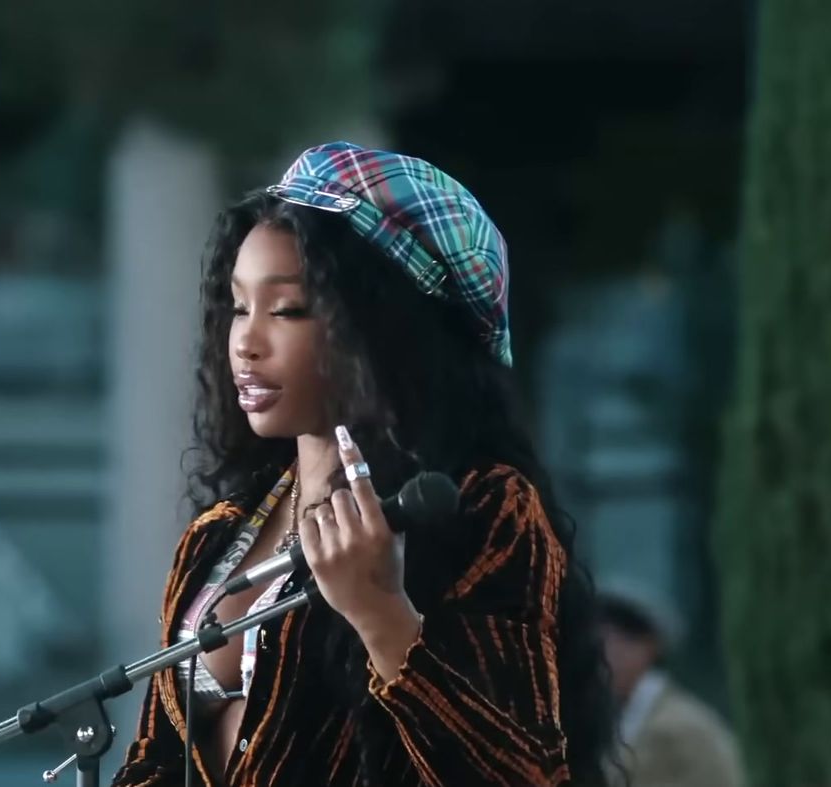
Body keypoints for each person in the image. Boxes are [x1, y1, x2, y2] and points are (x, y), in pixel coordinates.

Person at [111, 141, 613, 787]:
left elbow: (520, 774)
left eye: (288, 308)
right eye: (238, 306)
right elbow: (156, 754)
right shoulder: (219, 534)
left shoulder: (481, 508)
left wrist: (381, 614)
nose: (246, 341)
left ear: (383, 326)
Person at [598, 581, 744, 787]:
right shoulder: (637, 716)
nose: (604, 660)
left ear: (648, 648)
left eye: (613, 647)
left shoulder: (673, 731)